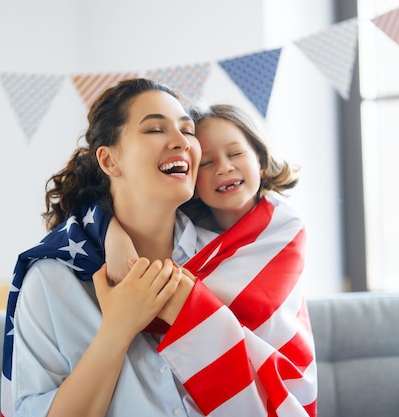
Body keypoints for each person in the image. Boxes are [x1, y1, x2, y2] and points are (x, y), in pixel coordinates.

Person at [2, 78, 316, 417]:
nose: (181, 141)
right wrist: (117, 329)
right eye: (155, 130)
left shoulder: (234, 264)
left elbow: (272, 394)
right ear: (109, 162)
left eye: (187, 130)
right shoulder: (52, 281)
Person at [107, 103, 318, 416]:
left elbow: (168, 303)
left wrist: (135, 297)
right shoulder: (185, 235)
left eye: (235, 154)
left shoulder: (283, 229)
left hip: (274, 386)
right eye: (205, 163)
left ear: (259, 160)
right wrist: (111, 230)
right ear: (190, 177)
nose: (224, 168)